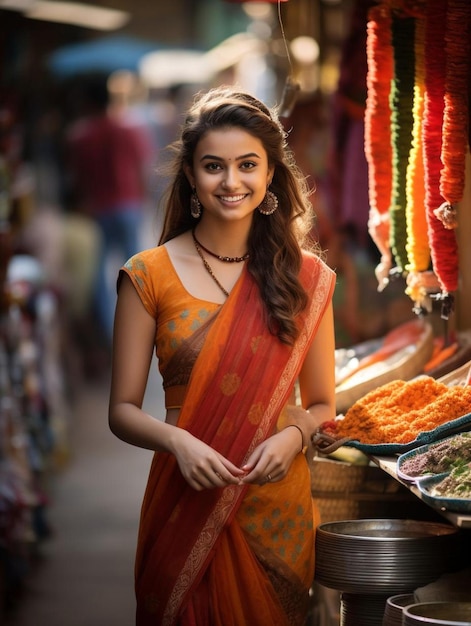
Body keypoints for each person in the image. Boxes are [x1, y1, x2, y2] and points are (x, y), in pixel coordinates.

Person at [108, 86, 336, 626]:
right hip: (184, 500)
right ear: (190, 173)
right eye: (214, 166)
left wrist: (294, 435)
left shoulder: (308, 279)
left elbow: (324, 403)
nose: (231, 182)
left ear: (271, 173)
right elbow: (121, 410)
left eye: (247, 165)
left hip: (277, 511)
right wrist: (179, 442)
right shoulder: (148, 275)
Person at [66, 75, 153, 342]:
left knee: (99, 273)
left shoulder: (80, 136)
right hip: (128, 204)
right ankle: (143, 325)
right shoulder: (129, 129)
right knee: (137, 269)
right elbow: (142, 168)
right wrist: (144, 199)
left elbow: (77, 178)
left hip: (98, 208)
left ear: (88, 103)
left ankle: (109, 333)